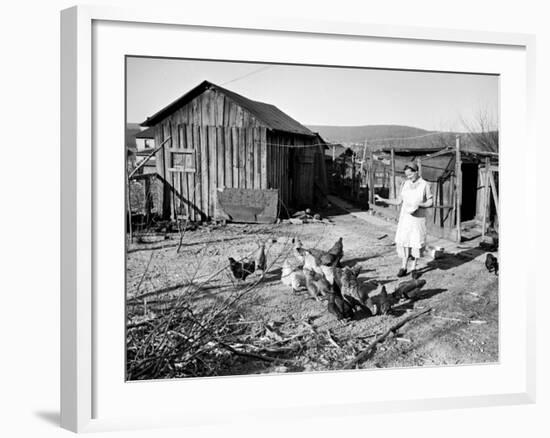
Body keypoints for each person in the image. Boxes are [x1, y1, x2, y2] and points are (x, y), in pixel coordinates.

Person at [374, 162, 433, 277]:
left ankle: (414, 268)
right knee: (404, 241)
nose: (409, 177)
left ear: (416, 172)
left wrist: (421, 205)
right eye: (407, 175)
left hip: (418, 218)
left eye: (411, 175)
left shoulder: (425, 184)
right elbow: (398, 201)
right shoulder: (405, 184)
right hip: (405, 218)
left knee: (416, 242)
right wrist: (383, 200)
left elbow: (430, 201)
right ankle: (403, 267)